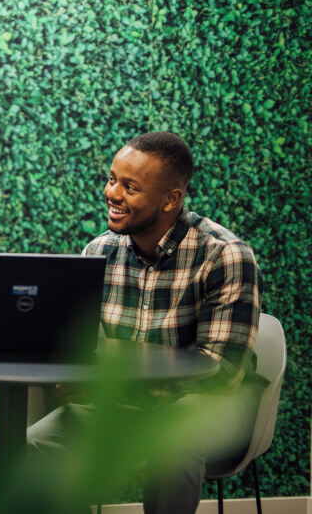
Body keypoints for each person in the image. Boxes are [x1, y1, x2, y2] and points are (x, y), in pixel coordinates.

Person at [27, 131, 263, 513]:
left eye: (130, 187)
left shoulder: (225, 256)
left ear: (171, 199)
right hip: (120, 407)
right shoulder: (98, 251)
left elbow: (223, 372)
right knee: (33, 443)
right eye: (111, 179)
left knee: (175, 438)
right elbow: (85, 347)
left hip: (202, 411)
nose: (112, 193)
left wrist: (120, 371)